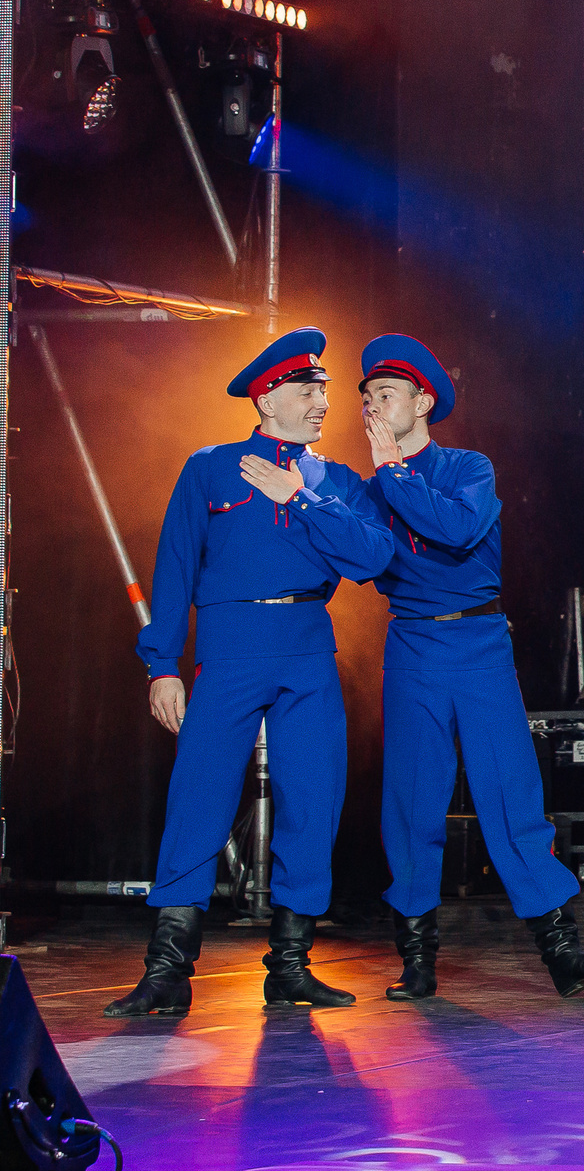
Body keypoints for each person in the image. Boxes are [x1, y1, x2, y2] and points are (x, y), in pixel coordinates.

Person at [109, 328, 396, 1018]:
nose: (323, 402)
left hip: (306, 646)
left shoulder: (335, 480)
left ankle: (290, 965)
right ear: (267, 396)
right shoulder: (210, 468)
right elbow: (175, 570)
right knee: (198, 796)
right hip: (230, 647)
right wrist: (161, 666)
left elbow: (375, 557)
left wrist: (301, 497)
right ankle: (168, 968)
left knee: (314, 798)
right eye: (309, 389)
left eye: (325, 390)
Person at [357, 334, 584, 999]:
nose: (370, 404)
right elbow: (358, 557)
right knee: (412, 800)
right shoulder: (371, 488)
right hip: (414, 646)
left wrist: (393, 473)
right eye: (366, 396)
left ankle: (562, 953)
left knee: (510, 791)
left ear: (422, 401)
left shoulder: (469, 467)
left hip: (477, 645)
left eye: (384, 393)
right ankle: (417, 961)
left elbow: (456, 528)